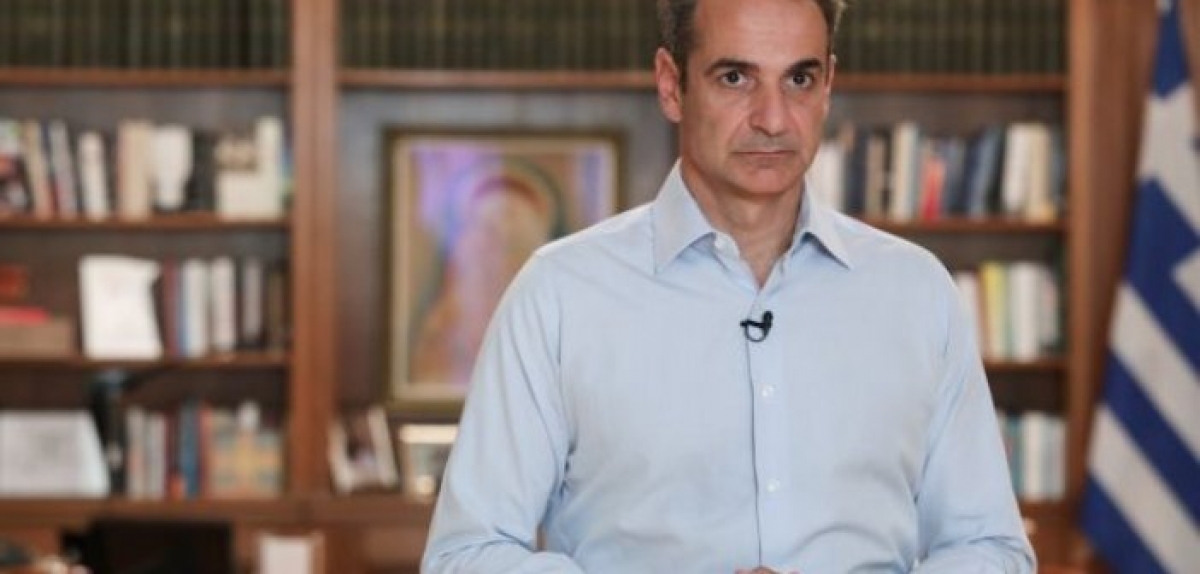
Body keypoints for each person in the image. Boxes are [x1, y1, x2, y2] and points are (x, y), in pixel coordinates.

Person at [422, 0, 1037, 571]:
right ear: (672, 85)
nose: (773, 119)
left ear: (828, 84)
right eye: (736, 77)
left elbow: (992, 549)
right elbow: (465, 555)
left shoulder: (916, 292)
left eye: (799, 79)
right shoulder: (559, 294)